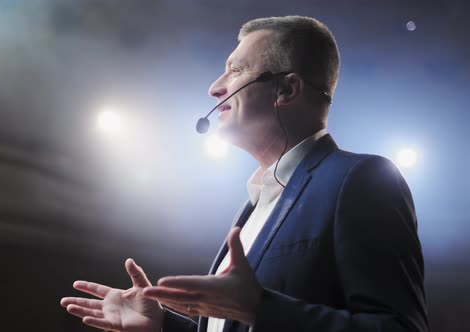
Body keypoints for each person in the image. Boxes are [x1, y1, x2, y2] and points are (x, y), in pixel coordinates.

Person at [60, 16, 429, 332]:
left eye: (236, 70)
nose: (215, 87)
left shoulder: (362, 179)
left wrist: (260, 307)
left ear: (287, 88)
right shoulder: (254, 206)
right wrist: (163, 325)